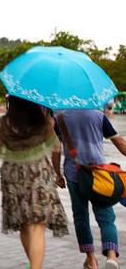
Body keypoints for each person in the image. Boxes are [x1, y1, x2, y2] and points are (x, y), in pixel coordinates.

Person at [0, 95, 68, 269]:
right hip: (39, 175)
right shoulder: (42, 122)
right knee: (37, 228)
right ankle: (35, 267)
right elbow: (57, 147)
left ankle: (33, 264)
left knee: (24, 224)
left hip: (13, 177)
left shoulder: (3, 124)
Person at [55, 109, 126, 269]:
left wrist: (57, 174)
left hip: (75, 174)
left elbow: (56, 149)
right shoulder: (99, 116)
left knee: (81, 217)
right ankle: (112, 257)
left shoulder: (59, 118)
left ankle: (91, 260)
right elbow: (119, 142)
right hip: (99, 174)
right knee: (106, 217)